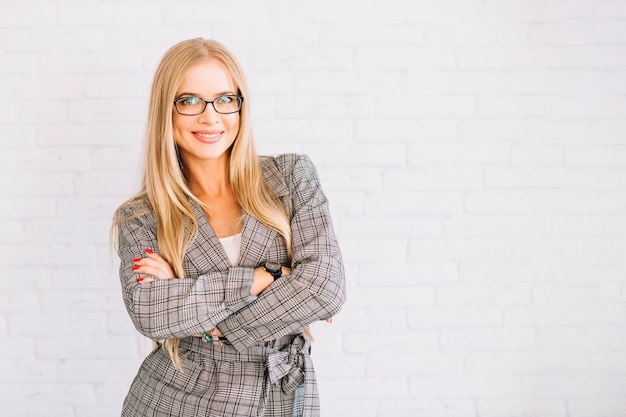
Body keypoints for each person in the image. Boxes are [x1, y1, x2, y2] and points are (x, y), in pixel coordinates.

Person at [112, 38, 346, 416]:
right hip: (175, 400)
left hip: (283, 397)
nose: (210, 117)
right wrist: (269, 276)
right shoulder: (142, 216)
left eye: (225, 99)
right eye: (189, 101)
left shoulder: (290, 178)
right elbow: (151, 313)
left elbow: (324, 288)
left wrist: (210, 325)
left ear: (240, 106)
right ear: (165, 112)